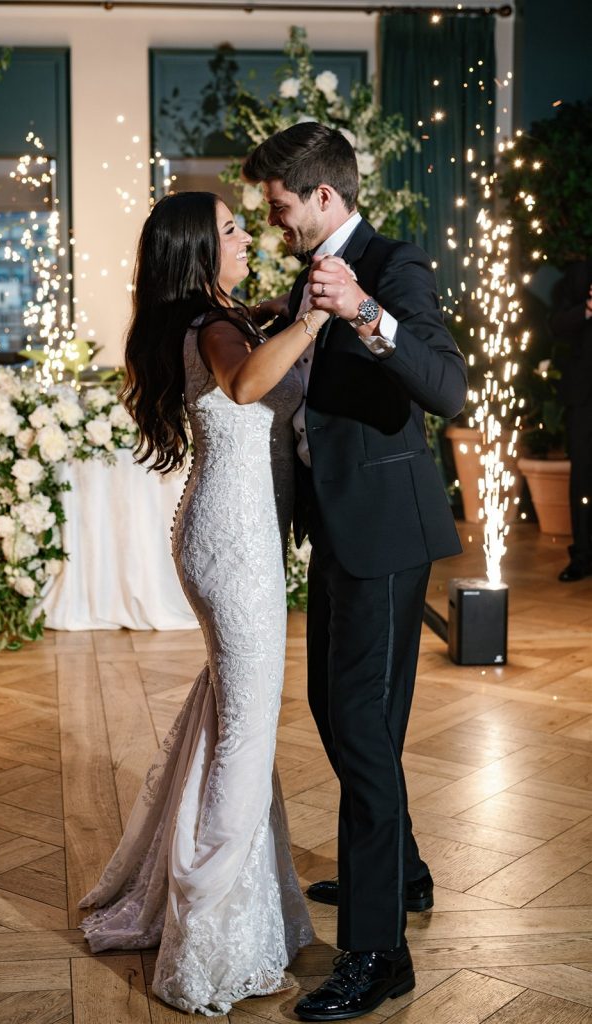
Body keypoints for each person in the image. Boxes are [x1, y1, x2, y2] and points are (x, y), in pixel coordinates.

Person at [78, 191, 330, 1016]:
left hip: (217, 533)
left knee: (231, 714)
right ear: (196, 250)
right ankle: (209, 936)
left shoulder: (202, 317)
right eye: (229, 229)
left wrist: (270, 314)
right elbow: (250, 381)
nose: (244, 237)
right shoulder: (214, 331)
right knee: (246, 730)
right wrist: (317, 317)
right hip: (236, 545)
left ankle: (240, 907)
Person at [243, 123, 468, 1021]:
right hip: (335, 530)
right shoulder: (309, 272)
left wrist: (368, 313)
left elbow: (448, 389)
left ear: (324, 199)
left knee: (366, 733)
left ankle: (379, 955)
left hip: (384, 533)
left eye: (281, 207)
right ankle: (402, 872)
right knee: (337, 714)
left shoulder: (393, 265)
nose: (274, 222)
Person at [549, 259, 592, 582]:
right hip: (585, 397)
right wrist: (588, 308)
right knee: (583, 478)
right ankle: (583, 556)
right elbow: (556, 325)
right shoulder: (578, 273)